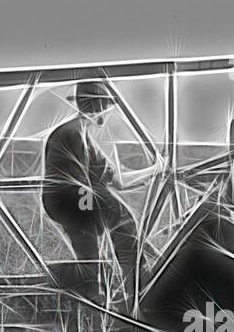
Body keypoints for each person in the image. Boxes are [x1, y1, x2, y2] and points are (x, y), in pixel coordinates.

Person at [42, 80, 160, 304]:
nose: (105, 113)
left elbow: (117, 180)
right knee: (120, 216)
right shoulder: (73, 133)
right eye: (104, 106)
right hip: (71, 200)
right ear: (98, 106)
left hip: (72, 202)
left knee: (94, 246)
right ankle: (137, 284)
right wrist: (93, 210)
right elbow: (87, 186)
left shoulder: (82, 134)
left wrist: (153, 171)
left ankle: (100, 293)